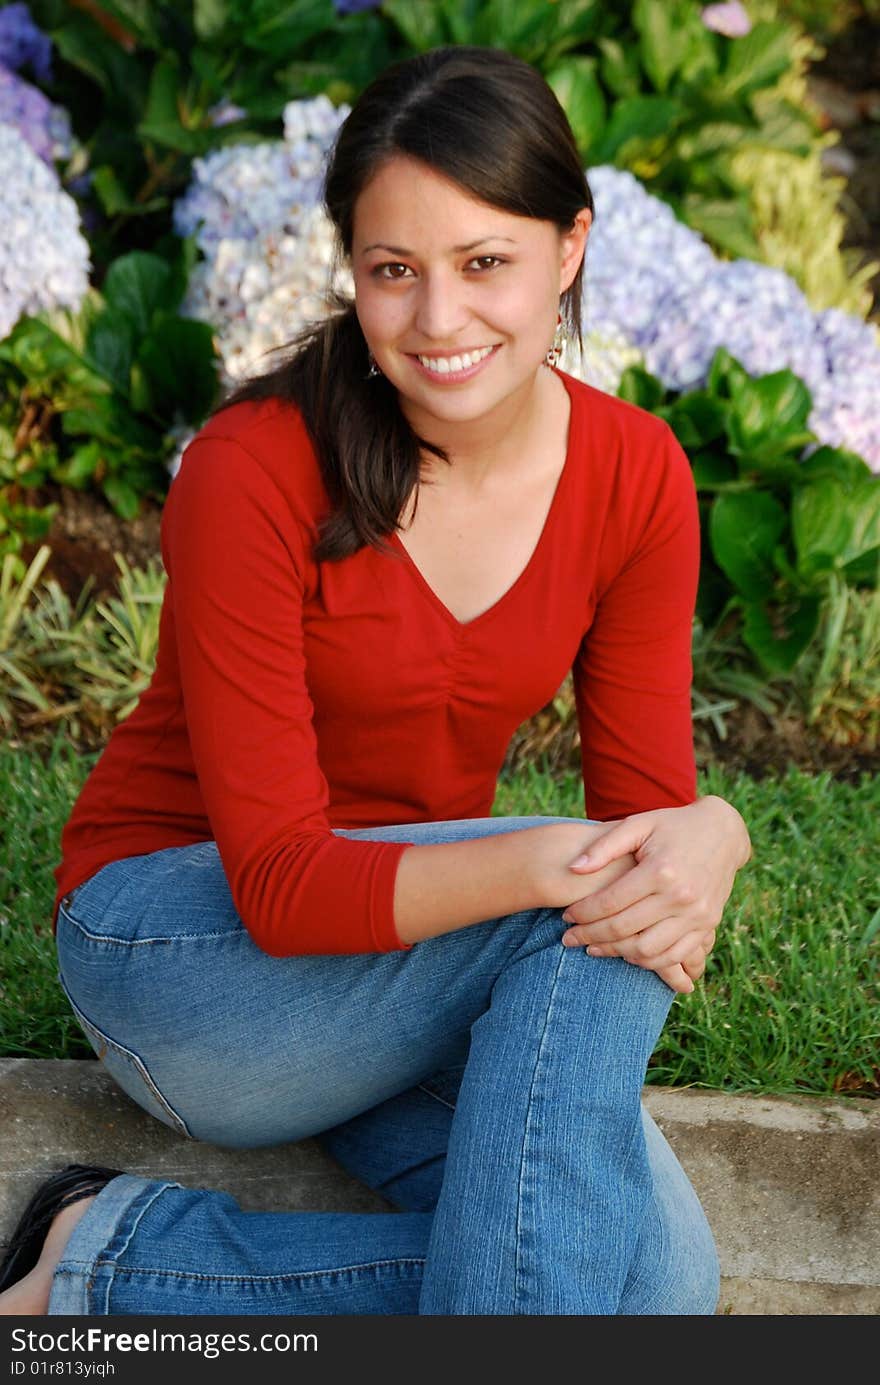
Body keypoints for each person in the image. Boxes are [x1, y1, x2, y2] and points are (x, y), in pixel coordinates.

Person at [1, 45, 750, 1318]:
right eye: (394, 270)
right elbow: (287, 885)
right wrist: (611, 858)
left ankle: (103, 1257)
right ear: (350, 264)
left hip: (403, 958)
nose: (438, 321)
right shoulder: (253, 469)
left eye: (484, 263)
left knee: (659, 1282)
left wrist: (714, 833)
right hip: (183, 951)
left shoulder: (636, 475)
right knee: (597, 875)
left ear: (568, 247)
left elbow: (653, 831)